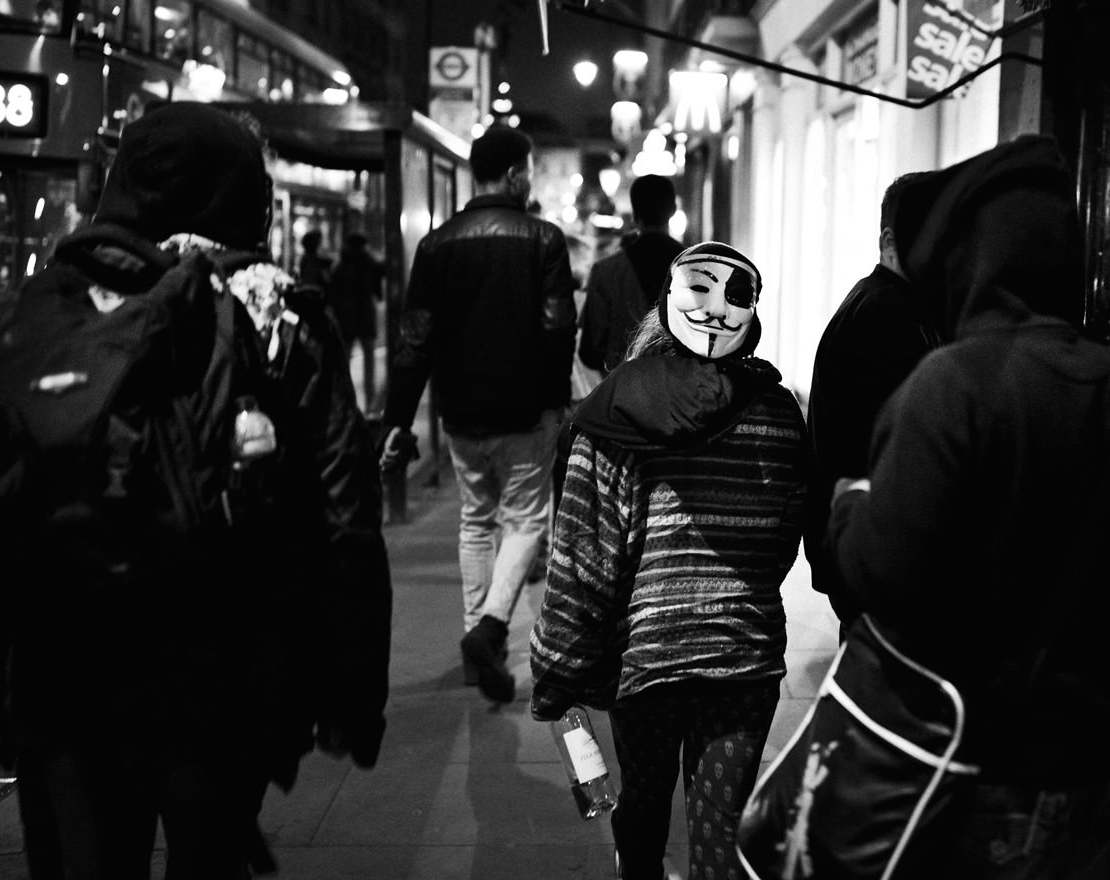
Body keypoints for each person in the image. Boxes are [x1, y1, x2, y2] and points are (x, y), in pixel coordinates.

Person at [0, 102, 392, 877]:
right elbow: (344, 516)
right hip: (218, 672)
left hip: (57, 668)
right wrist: (350, 694)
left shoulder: (33, 312)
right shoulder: (277, 315)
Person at [820, 135, 1110, 878]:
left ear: (967, 258)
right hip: (1098, 761)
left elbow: (882, 575)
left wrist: (848, 507)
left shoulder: (951, 385)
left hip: (977, 764)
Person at [530, 242, 811, 880]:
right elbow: (781, 540)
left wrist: (558, 668)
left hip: (649, 659)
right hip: (743, 655)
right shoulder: (777, 410)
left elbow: (584, 558)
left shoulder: (615, 411)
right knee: (721, 829)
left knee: (643, 807)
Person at [379, 125, 576, 704]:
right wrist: (555, 399)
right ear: (516, 174)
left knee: (475, 519)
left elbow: (414, 338)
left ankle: (476, 641)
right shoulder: (544, 239)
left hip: (459, 410)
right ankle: (490, 631)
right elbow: (558, 326)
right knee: (524, 521)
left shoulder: (436, 244)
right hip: (524, 409)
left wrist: (397, 417)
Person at [804, 170, 940, 630]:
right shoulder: (888, 315)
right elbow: (893, 451)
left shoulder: (878, 301)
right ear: (889, 239)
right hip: (876, 546)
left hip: (858, 541)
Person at [577, 174, 686, 375]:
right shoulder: (694, 269)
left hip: (624, 391)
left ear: (635, 214)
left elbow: (590, 352)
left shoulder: (606, 271)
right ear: (672, 211)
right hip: (684, 392)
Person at [328, 232, 385, 409]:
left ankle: (347, 402)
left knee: (345, 360)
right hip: (365, 315)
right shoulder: (368, 262)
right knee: (369, 359)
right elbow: (379, 285)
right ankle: (370, 401)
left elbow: (333, 290)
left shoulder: (341, 264)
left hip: (347, 318)